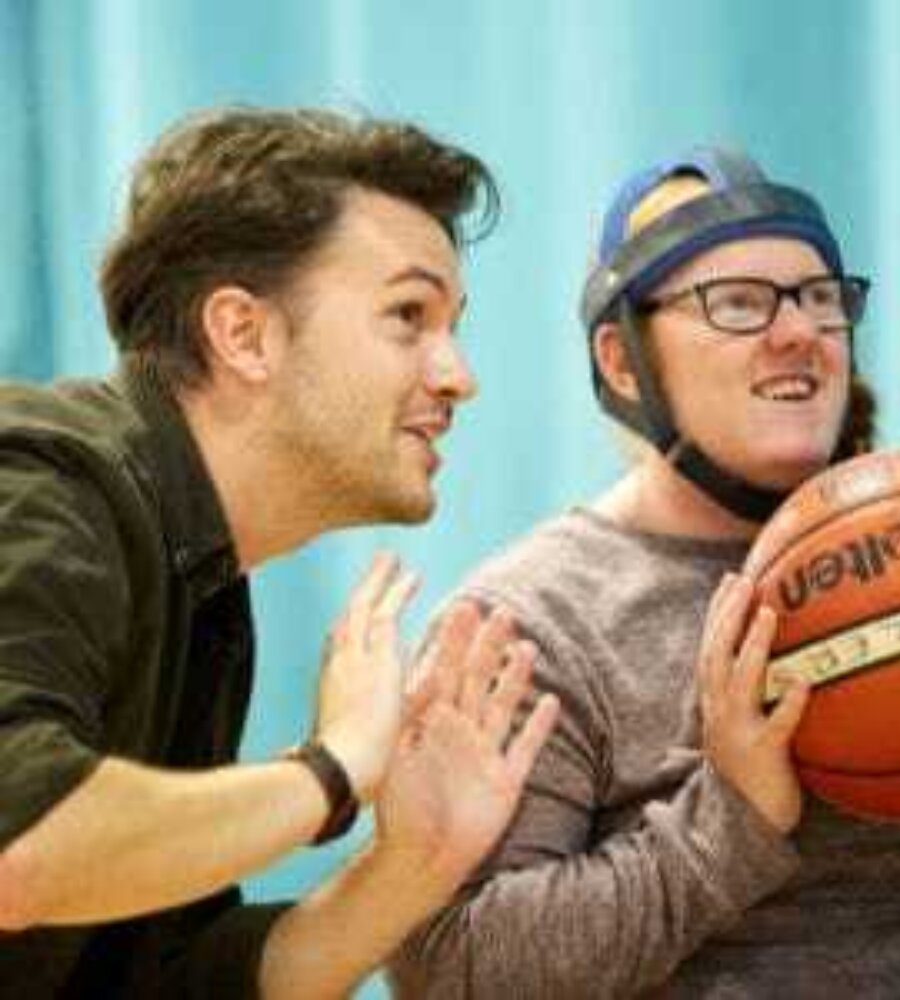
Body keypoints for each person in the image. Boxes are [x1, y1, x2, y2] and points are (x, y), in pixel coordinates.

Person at [389, 146, 900, 997]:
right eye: (737, 304)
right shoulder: (527, 623)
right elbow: (449, 968)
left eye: (820, 300)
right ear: (620, 358)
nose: (799, 334)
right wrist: (730, 820)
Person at [0, 105, 559, 999]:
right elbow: (20, 848)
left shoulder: (201, 576)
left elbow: (176, 978)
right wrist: (332, 770)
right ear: (243, 333)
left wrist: (417, 860)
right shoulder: (41, 480)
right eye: (408, 316)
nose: (458, 375)